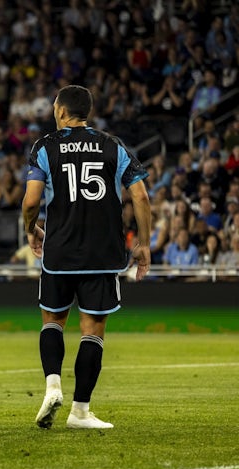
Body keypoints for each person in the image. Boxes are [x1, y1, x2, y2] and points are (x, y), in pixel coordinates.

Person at [22, 85, 151, 430]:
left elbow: (32, 201)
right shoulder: (113, 145)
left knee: (52, 322)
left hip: (59, 252)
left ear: (62, 112)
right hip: (103, 254)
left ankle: (52, 386)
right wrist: (145, 243)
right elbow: (140, 196)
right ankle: (80, 411)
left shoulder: (45, 147)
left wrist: (30, 228)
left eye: (54, 107)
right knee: (92, 331)